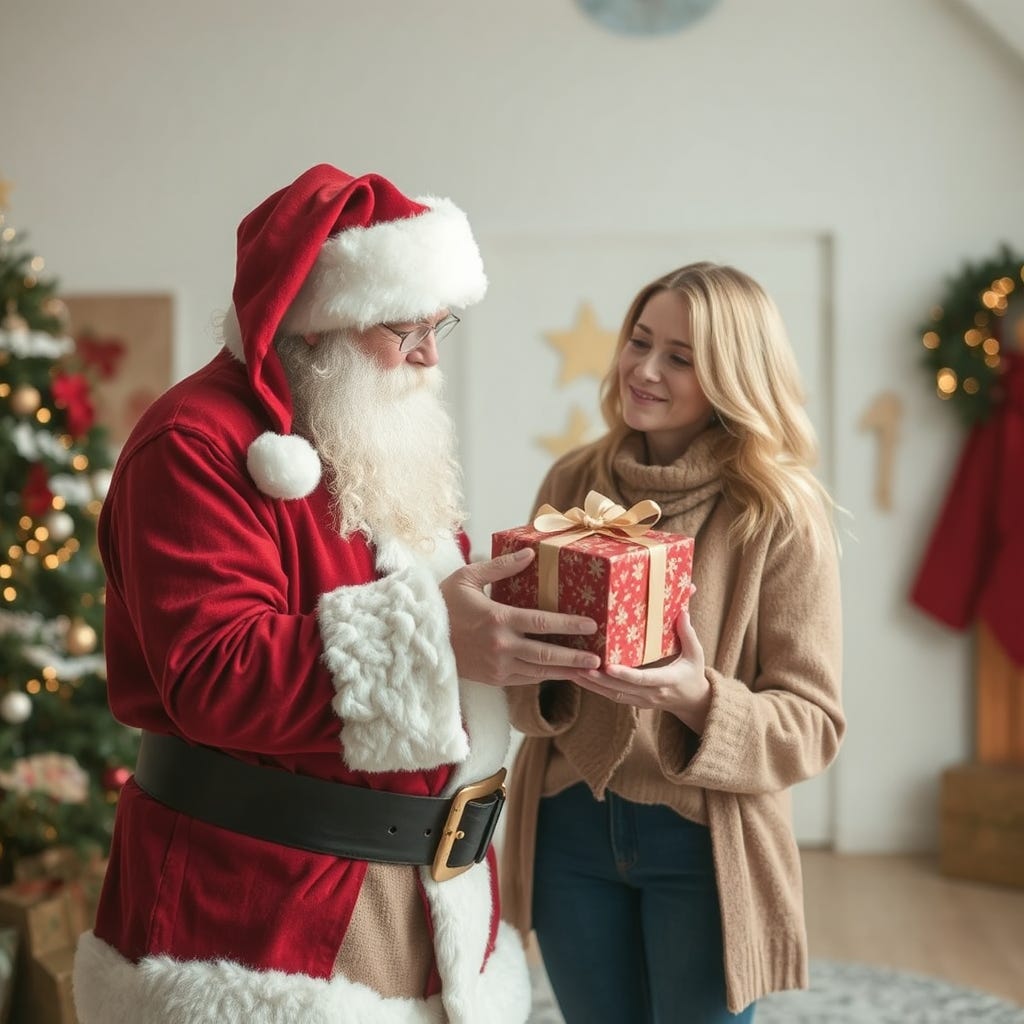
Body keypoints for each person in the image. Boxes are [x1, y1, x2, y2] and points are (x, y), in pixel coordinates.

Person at [71, 163, 603, 1024]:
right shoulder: (191, 444)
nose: (430, 354)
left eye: (443, 325)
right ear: (314, 328)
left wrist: (528, 643)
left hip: (433, 903)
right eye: (406, 329)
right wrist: (439, 636)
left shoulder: (376, 433)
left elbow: (445, 647)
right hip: (262, 905)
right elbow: (215, 673)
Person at [500, 262, 845, 1023]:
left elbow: (813, 728)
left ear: (732, 374)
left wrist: (693, 696)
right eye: (639, 340)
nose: (643, 369)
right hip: (568, 828)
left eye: (680, 357)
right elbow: (522, 686)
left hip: (705, 843)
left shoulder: (778, 514)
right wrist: (532, 654)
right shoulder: (572, 481)